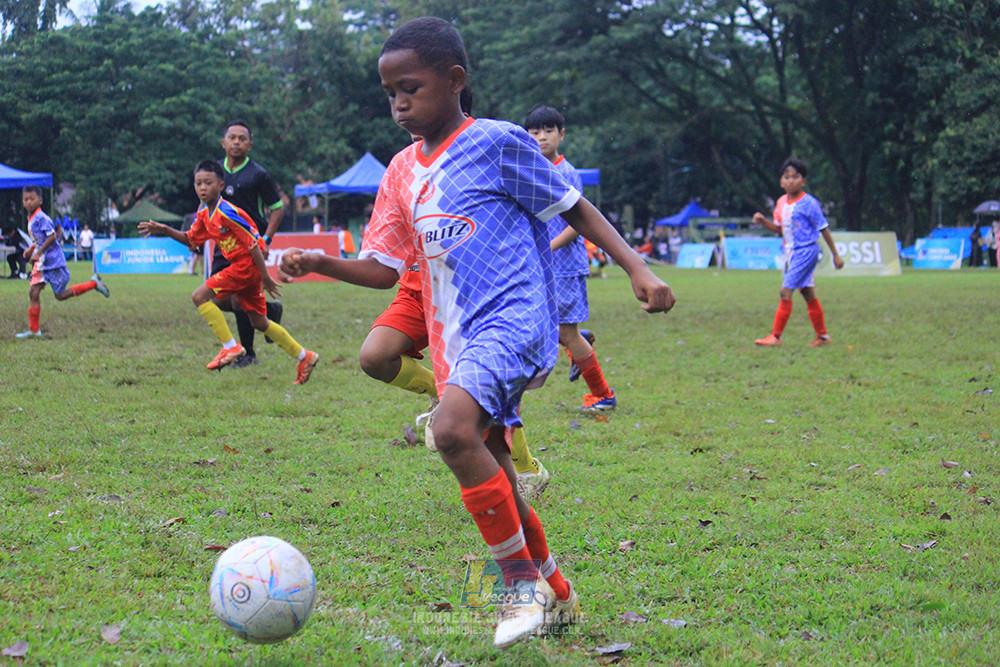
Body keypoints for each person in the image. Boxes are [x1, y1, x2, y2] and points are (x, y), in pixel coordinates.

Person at [277, 16, 675, 648]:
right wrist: (323, 262)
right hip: (454, 336)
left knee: (451, 431)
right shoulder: (401, 171)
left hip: (516, 320)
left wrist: (637, 267)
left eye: (410, 87)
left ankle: (519, 585)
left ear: (455, 80)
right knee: (488, 461)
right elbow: (384, 270)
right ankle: (558, 593)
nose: (399, 103)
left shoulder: (498, 142)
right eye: (390, 93)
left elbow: (572, 205)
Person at [138, 161, 319, 384]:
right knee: (259, 323)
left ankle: (231, 347)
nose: (202, 188)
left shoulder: (227, 212)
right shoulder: (204, 213)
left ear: (221, 185)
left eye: (208, 183)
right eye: (198, 183)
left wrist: (265, 277)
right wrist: (164, 230)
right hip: (244, 269)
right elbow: (190, 239)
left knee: (199, 296)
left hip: (245, 268)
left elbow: (254, 244)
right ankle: (304, 356)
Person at [525, 104, 617, 412]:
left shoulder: (567, 173)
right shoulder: (529, 169)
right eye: (535, 132)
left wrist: (545, 248)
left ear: (561, 135)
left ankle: (603, 394)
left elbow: (577, 225)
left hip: (563, 265)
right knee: (537, 324)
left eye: (548, 131)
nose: (542, 137)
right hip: (540, 264)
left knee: (565, 332)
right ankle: (581, 341)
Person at [216, 120, 286, 368]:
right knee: (215, 298)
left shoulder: (258, 174)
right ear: (223, 143)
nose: (236, 142)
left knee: (237, 300)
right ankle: (268, 312)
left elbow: (277, 209)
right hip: (222, 247)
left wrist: (265, 239)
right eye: (232, 137)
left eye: (242, 138)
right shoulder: (215, 173)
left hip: (248, 248)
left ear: (250, 145)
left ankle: (248, 355)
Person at [753, 157, 844, 347]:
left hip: (806, 251)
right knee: (807, 293)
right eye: (787, 177)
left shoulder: (809, 203)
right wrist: (763, 222)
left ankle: (775, 337)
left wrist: (835, 254)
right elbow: (780, 230)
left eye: (796, 177)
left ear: (803, 181)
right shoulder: (780, 203)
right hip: (792, 252)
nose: (791, 180)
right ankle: (823, 337)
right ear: (781, 181)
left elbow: (823, 228)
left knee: (785, 292)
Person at [15, 186, 110, 338]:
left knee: (60, 295)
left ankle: (93, 283)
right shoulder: (30, 218)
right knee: (33, 293)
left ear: (40, 201)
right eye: (26, 199)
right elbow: (40, 238)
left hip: (53, 262)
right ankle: (34, 331)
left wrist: (38, 252)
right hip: (41, 262)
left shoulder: (42, 218)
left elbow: (52, 237)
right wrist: (31, 248)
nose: (28, 202)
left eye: (32, 199)